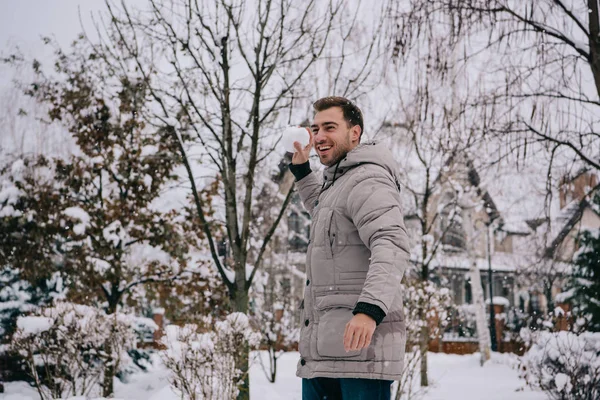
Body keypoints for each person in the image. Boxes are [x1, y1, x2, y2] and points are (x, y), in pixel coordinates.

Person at [289, 96, 411, 400]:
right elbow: (324, 209)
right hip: (326, 351)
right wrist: (303, 171)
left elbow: (391, 243)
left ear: (354, 133)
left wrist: (369, 311)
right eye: (316, 129)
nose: (319, 137)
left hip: (360, 355)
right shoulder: (341, 182)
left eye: (330, 127)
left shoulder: (367, 178)